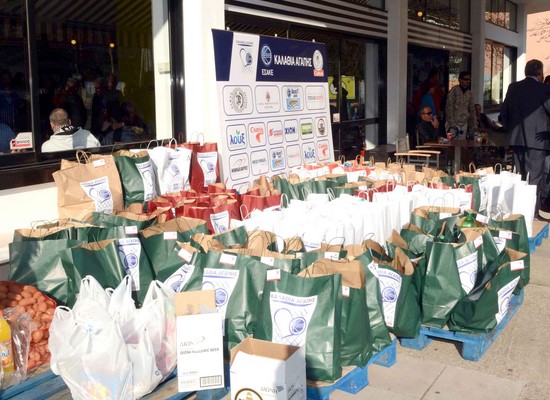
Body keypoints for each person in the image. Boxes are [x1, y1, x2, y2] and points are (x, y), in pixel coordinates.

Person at [499, 59, 550, 217]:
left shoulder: (513, 87)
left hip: (516, 139)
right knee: (534, 178)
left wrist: (510, 130)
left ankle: (519, 211)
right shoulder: (544, 89)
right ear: (539, 73)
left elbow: (504, 114)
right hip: (538, 141)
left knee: (520, 176)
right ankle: (531, 213)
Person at [445, 71, 475, 139]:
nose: (468, 81)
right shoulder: (454, 91)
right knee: (452, 143)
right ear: (460, 80)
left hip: (464, 123)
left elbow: (472, 109)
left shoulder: (469, 93)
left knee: (462, 143)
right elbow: (449, 108)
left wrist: (473, 124)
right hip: (453, 123)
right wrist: (452, 123)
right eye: (466, 79)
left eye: (469, 79)